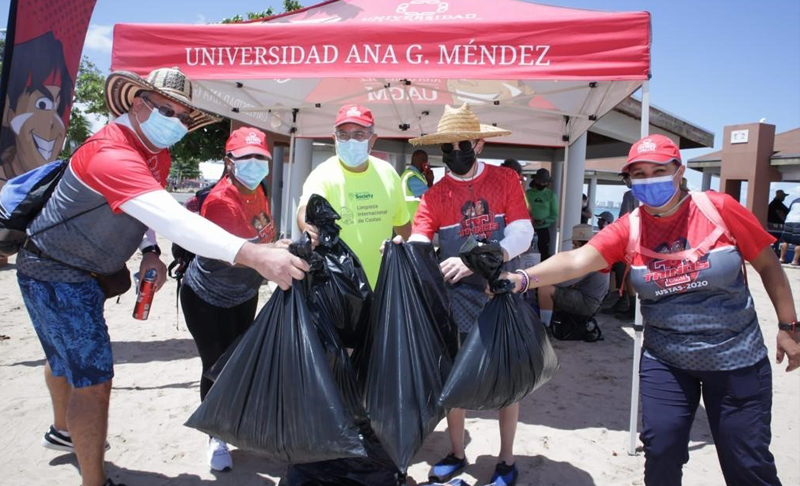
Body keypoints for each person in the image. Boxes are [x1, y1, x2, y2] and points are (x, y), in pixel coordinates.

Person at [15, 67, 309, 486]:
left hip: (86, 271)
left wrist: (150, 250)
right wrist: (255, 255)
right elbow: (171, 216)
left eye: (186, 117)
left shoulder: (156, 152)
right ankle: (94, 481)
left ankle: (64, 431)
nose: (178, 124)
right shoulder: (109, 152)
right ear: (137, 104)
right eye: (168, 111)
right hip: (58, 272)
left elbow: (144, 212)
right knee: (94, 381)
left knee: (63, 357)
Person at [501, 134, 800, 486]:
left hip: (736, 358)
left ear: (679, 171)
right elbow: (576, 260)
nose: (649, 180)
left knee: (746, 462)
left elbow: (769, 265)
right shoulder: (631, 227)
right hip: (666, 360)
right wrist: (521, 278)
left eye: (659, 170)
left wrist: (788, 325)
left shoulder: (718, 207)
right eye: (639, 174)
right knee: (661, 453)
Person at [407, 104, 533, 486]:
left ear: (478, 144)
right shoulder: (435, 194)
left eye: (462, 145)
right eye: (447, 148)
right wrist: (402, 249)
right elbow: (419, 238)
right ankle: (457, 451)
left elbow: (522, 232)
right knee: (455, 380)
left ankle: (507, 460)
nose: (454, 153)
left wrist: (480, 261)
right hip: (455, 300)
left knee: (506, 381)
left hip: (499, 293)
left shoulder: (506, 180)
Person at [179, 127, 276, 472]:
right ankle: (215, 436)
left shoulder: (259, 190)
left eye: (260, 157)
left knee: (239, 362)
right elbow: (235, 254)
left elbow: (265, 234)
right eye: (246, 157)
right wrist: (279, 253)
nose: (254, 163)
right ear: (229, 162)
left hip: (243, 293)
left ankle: (236, 422)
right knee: (216, 367)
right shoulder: (221, 199)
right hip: (208, 298)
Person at [297, 104, 411, 287]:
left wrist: (409, 253)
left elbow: (402, 224)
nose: (350, 141)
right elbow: (305, 209)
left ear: (372, 139)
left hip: (383, 285)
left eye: (359, 134)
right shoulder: (323, 174)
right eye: (343, 135)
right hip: (339, 289)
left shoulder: (388, 174)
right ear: (334, 139)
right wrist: (308, 226)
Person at [537, 224, 609, 326]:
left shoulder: (588, 259)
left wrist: (544, 277)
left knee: (544, 289)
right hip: (593, 301)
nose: (573, 247)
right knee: (552, 288)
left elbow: (564, 282)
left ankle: (545, 326)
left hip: (587, 303)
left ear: (582, 244)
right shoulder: (596, 254)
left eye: (575, 244)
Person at [526, 168, 558, 260]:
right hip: (528, 228)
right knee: (526, 253)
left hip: (543, 230)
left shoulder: (551, 195)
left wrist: (544, 221)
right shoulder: (527, 193)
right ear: (535, 180)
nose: (542, 184)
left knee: (543, 254)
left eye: (545, 182)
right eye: (540, 181)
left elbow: (554, 215)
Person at [400, 149, 431, 222]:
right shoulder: (413, 177)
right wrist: (430, 181)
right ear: (424, 164)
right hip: (413, 222)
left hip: (407, 221)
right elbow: (430, 199)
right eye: (427, 162)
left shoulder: (408, 174)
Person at [779, 195, 800, 266]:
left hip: (789, 220)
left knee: (785, 240)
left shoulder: (795, 200)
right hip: (798, 221)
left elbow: (789, 211)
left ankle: (781, 259)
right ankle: (795, 261)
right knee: (798, 242)